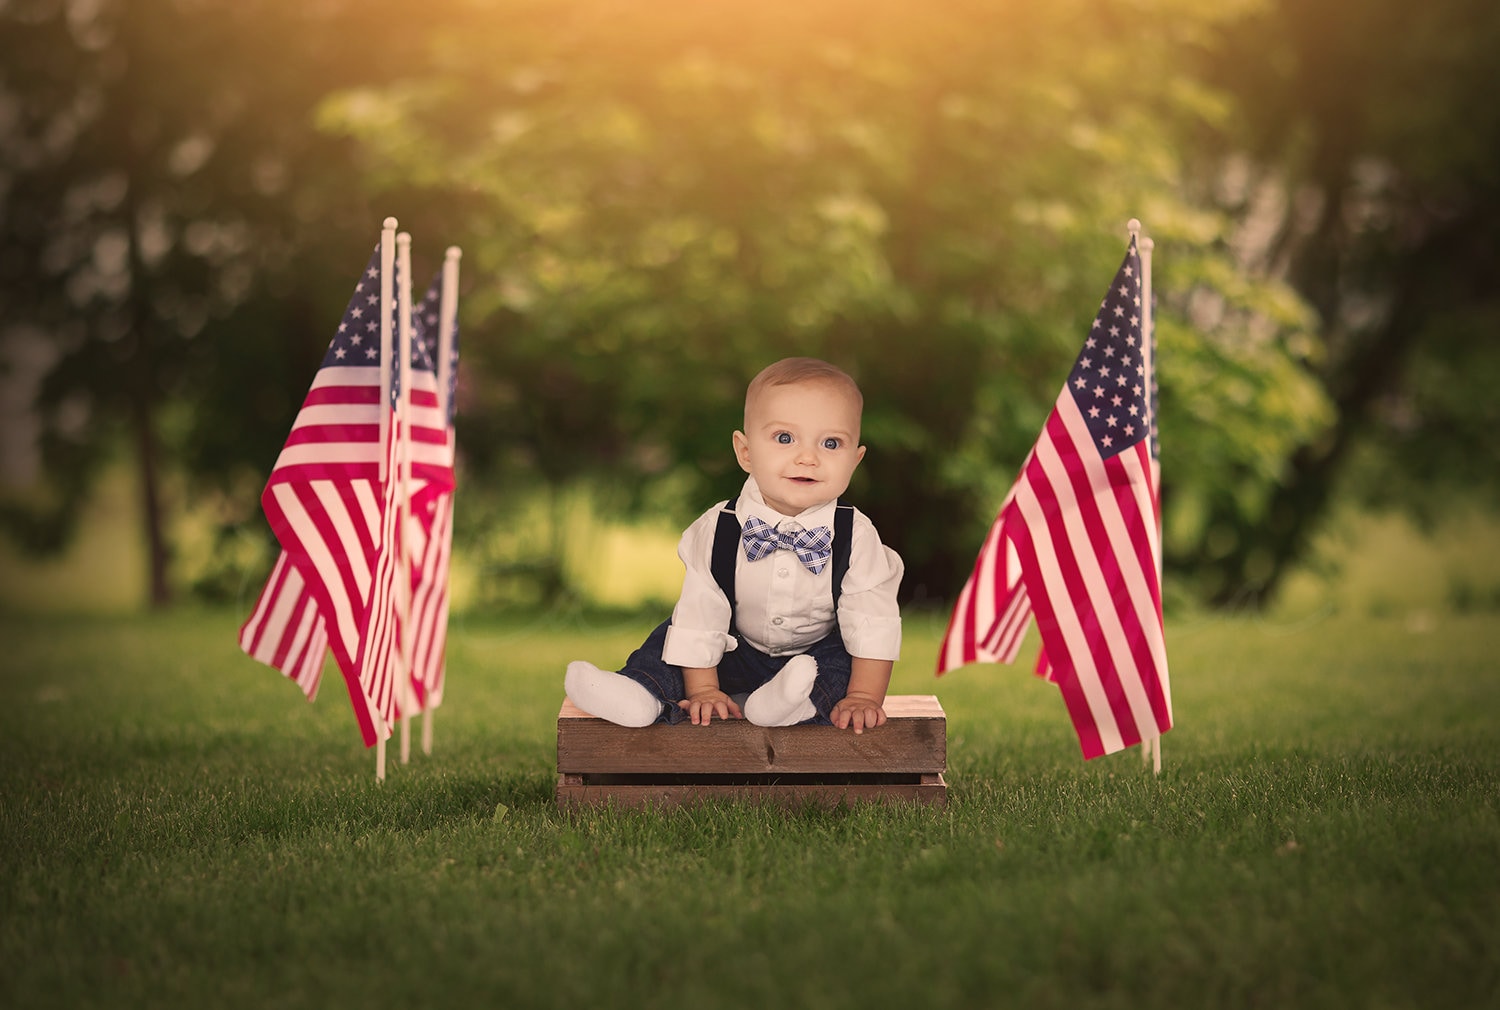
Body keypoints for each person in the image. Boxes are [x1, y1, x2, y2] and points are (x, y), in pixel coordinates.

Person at [564, 357, 903, 734]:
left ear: (854, 460)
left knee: (842, 661)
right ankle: (640, 694)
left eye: (831, 443)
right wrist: (705, 689)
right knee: (672, 637)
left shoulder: (857, 535)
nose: (808, 457)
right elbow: (701, 615)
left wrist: (864, 697)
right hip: (733, 653)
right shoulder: (718, 527)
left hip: (812, 655)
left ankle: (786, 704)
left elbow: (873, 623)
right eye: (785, 438)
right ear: (745, 452)